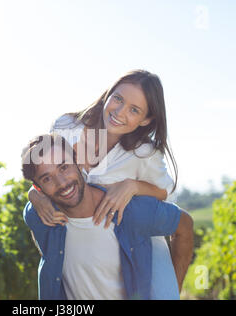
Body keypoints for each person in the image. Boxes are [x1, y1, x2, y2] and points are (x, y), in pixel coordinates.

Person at [27, 69, 181, 298]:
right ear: (108, 94)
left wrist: (133, 186)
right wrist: (35, 195)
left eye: (134, 110)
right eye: (118, 98)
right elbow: (43, 174)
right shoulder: (66, 127)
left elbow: (165, 193)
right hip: (79, 255)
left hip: (134, 254)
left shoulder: (144, 153)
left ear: (146, 119)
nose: (119, 112)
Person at [21, 134, 193, 300]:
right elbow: (30, 211)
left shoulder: (130, 210)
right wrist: (33, 198)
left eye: (64, 167)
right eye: (47, 178)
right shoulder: (41, 217)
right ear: (39, 189)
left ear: (78, 162)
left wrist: (173, 290)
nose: (62, 183)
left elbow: (184, 225)